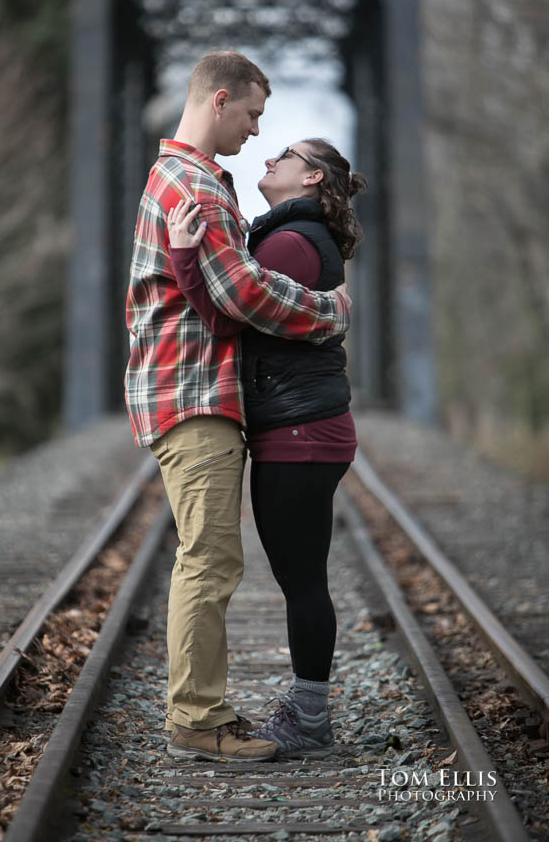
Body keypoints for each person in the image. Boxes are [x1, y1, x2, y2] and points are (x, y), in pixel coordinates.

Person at [124, 51, 352, 764]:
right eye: (252, 114)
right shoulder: (190, 181)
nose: (256, 130)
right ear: (219, 100)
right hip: (191, 392)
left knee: (211, 557)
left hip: (197, 390)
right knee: (209, 560)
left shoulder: (196, 180)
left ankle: (204, 711)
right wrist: (326, 313)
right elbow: (240, 295)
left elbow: (229, 286)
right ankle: (198, 718)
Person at [167, 137, 366, 757]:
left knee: (302, 579)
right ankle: (309, 709)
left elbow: (231, 315)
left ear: (310, 178)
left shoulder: (287, 242)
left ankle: (309, 719)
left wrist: (181, 259)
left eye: (283, 154)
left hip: (300, 432)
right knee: (300, 576)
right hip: (304, 428)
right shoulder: (291, 234)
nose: (268, 159)